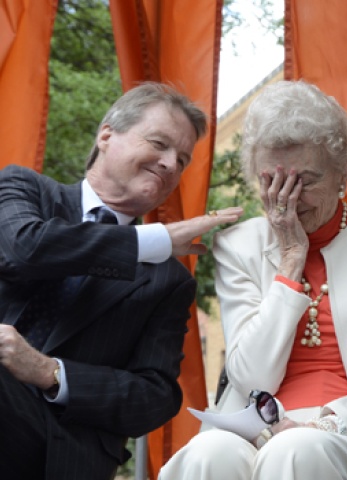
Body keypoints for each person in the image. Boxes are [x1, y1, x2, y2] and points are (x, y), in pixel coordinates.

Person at [159, 80, 347, 479]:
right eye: (270, 182)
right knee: (208, 454)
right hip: (254, 432)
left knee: (294, 449)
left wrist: (327, 424)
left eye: (305, 181)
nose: (287, 200)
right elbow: (251, 378)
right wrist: (291, 262)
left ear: (342, 172)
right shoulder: (238, 245)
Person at [0, 82, 244, 479]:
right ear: (107, 135)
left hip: (62, 449)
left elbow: (156, 396)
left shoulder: (169, 280)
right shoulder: (25, 190)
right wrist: (155, 240)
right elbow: (25, 249)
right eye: (159, 143)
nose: (170, 164)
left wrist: (49, 372)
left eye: (182, 159)